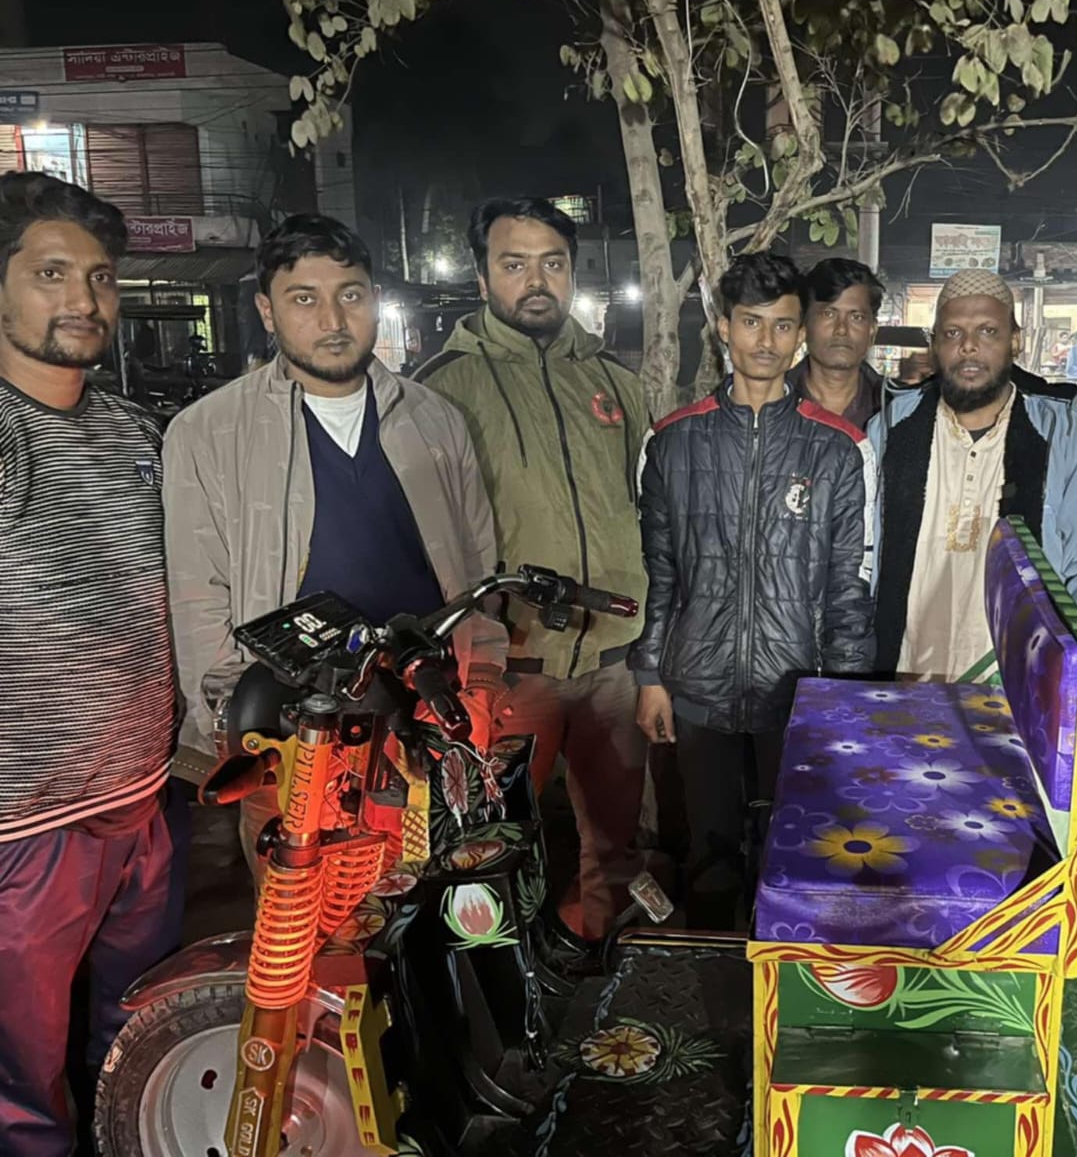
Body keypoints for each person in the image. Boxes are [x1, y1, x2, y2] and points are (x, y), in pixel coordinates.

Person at [163, 214, 506, 878]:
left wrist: (478, 685)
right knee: (307, 929)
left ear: (374, 299)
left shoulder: (433, 419)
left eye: (350, 294)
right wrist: (233, 723)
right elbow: (198, 591)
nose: (332, 319)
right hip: (295, 733)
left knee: (428, 907)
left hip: (420, 718)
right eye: (304, 299)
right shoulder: (208, 432)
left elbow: (476, 566)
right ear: (267, 310)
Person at [416, 196, 648, 943]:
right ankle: (499, 994)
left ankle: (597, 961)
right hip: (510, 669)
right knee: (487, 848)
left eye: (552, 263)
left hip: (614, 661)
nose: (536, 280)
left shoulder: (616, 382)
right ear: (484, 279)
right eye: (514, 264)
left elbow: (648, 506)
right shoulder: (445, 387)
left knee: (613, 844)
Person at [0, 173, 176, 1156]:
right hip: (26, 826)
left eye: (101, 278)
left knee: (131, 1044)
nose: (82, 300)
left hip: (143, 802)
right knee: (22, 1082)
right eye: (50, 274)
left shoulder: (133, 435)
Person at [631, 252, 875, 930]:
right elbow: (662, 573)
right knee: (707, 859)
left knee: (797, 857)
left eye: (782, 326)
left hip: (798, 692)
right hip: (698, 684)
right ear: (722, 328)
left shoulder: (838, 449)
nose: (765, 342)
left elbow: (850, 589)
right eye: (750, 323)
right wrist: (651, 673)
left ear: (801, 335)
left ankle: (783, 1002)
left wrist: (844, 704)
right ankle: (711, 1002)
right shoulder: (672, 443)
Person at [872, 269, 1077, 683]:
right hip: (905, 681)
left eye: (988, 331)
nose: (969, 346)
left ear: (1016, 339)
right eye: (953, 333)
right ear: (935, 344)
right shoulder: (890, 429)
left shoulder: (1069, 437)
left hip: (1023, 693)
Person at [789, 257, 885, 429]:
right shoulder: (773, 401)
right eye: (829, 314)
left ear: (872, 329)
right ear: (804, 323)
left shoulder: (894, 408)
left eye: (856, 317)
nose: (841, 329)